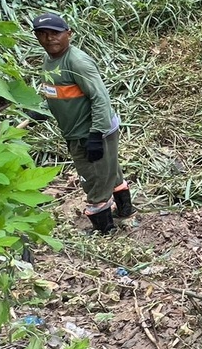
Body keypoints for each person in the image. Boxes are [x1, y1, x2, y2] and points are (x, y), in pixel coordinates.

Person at [32, 13, 133, 234]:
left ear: (69, 34)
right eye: (42, 34)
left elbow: (100, 98)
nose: (49, 39)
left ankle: (106, 232)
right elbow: (58, 92)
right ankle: (125, 210)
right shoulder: (50, 60)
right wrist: (40, 111)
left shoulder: (76, 61)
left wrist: (95, 135)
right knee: (110, 173)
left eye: (55, 33)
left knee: (95, 181)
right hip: (80, 131)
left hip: (90, 132)